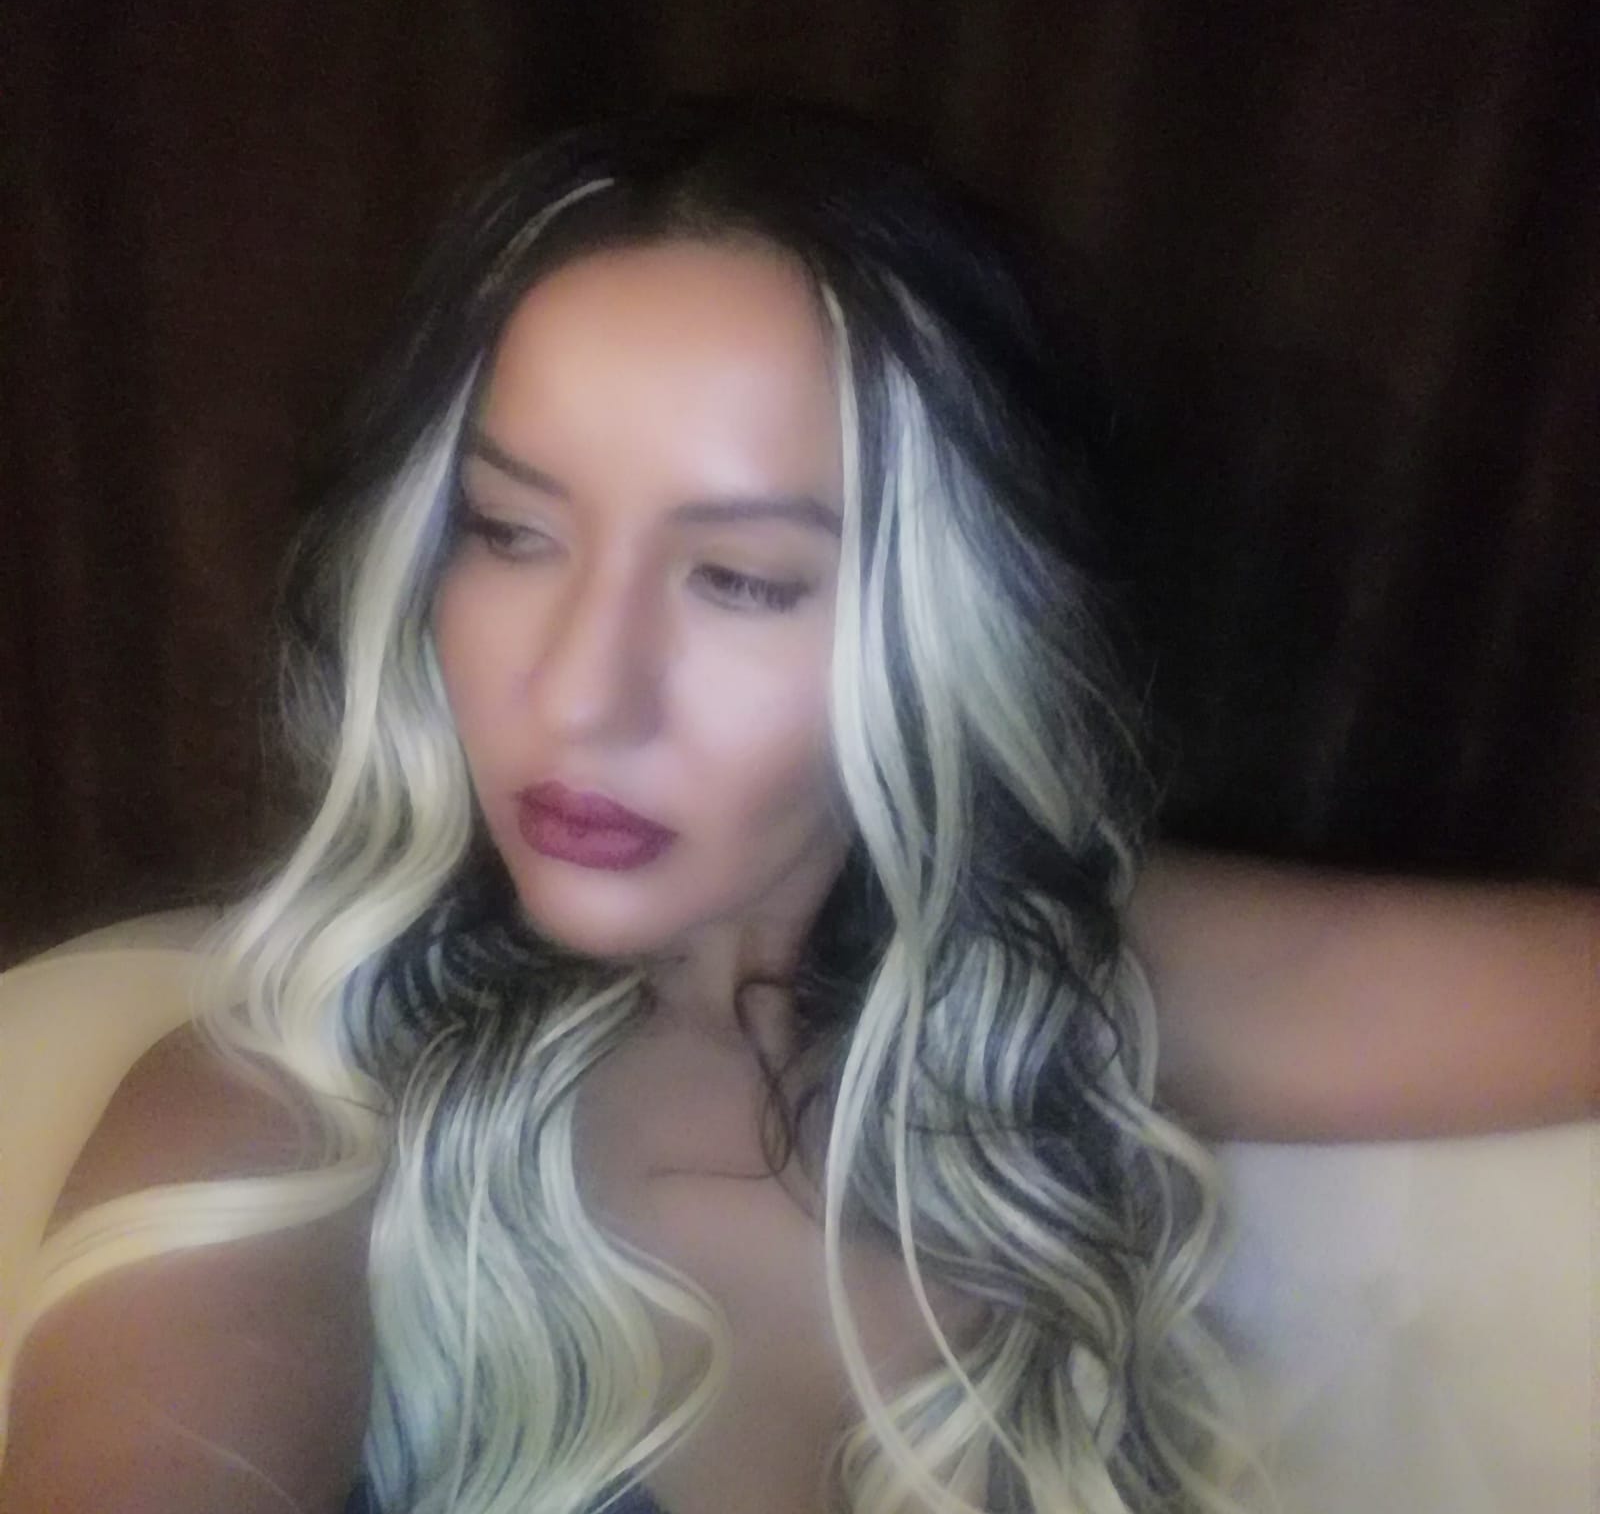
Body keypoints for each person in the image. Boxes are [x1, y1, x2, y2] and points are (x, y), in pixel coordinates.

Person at [0, 100, 1593, 1514]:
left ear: (953, 636)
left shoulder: (1050, 979)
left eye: (744, 579)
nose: (580, 693)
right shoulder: (277, 1125)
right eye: (508, 532)